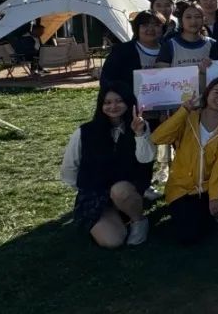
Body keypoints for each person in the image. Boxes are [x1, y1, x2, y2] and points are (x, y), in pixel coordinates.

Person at [151, 77, 218, 243]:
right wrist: (183, 111)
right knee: (189, 236)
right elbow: (158, 138)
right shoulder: (189, 116)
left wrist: (214, 196)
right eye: (216, 92)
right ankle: (210, 214)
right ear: (207, 93)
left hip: (211, 185)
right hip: (183, 188)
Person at [59, 84, 155, 247]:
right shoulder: (84, 132)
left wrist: (139, 134)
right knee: (112, 241)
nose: (113, 106)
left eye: (119, 101)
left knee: (120, 190)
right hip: (96, 194)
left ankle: (138, 220)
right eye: (107, 102)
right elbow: (69, 167)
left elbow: (146, 158)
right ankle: (114, 217)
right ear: (100, 105)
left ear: (129, 103)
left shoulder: (140, 126)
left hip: (125, 191)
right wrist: (85, 188)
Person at [100, 10, 165, 93]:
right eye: (145, 25)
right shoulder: (121, 51)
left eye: (156, 25)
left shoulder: (169, 49)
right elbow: (107, 79)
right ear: (137, 28)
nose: (151, 29)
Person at [154, 4, 216, 70]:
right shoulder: (169, 45)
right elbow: (162, 73)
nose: (193, 21)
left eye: (197, 17)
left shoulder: (213, 44)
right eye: (188, 17)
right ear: (181, 20)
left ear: (204, 19)